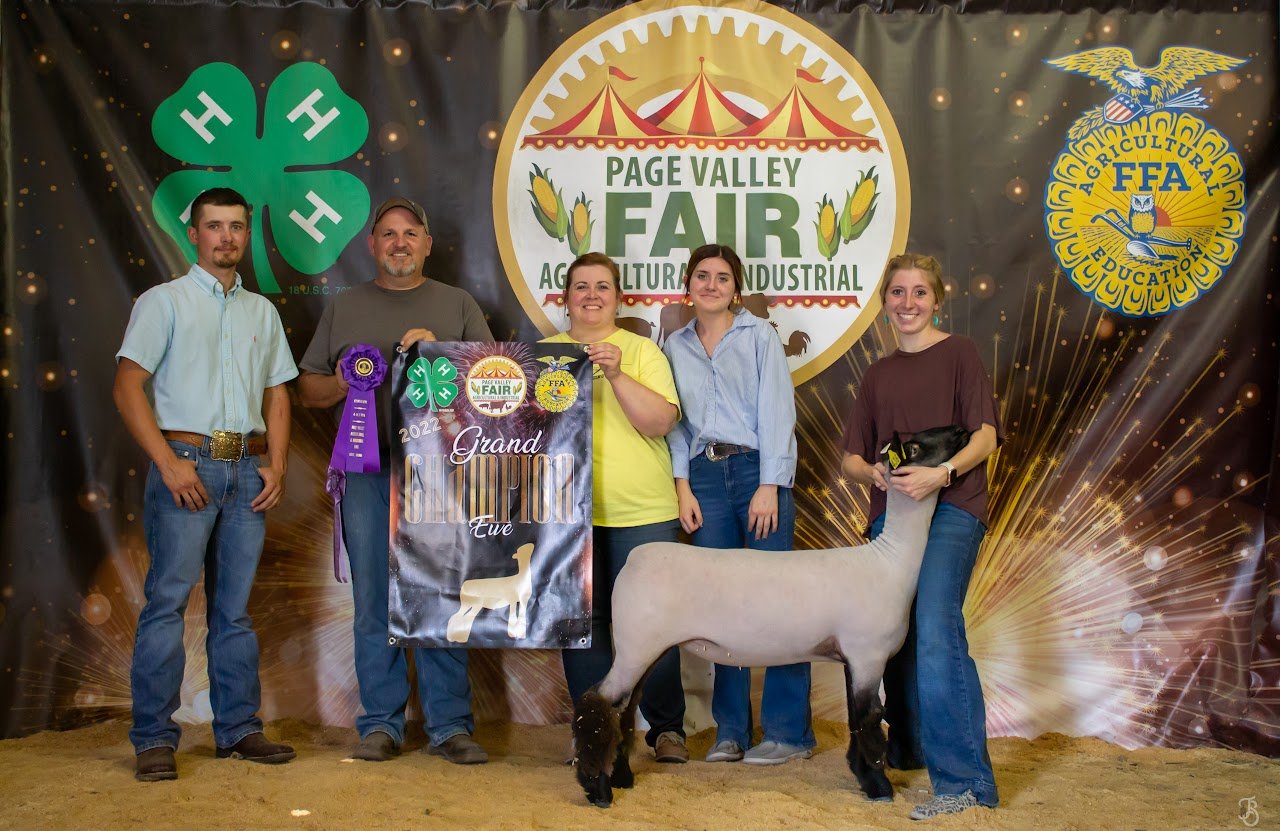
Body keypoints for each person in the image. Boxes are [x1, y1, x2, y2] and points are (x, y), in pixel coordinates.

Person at [298, 197, 493, 764]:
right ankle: (380, 723)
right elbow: (307, 391)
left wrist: (440, 355)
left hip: (440, 474)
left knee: (438, 593)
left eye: (411, 232)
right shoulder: (345, 306)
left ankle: (450, 725)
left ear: (428, 244)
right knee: (371, 598)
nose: (400, 242)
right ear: (372, 245)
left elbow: (493, 388)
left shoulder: (457, 305)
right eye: (388, 234)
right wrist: (340, 384)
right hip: (366, 472)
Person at [114, 187, 298, 781]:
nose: (227, 237)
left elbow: (277, 392)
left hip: (247, 468)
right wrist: (168, 463)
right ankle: (152, 738)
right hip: (186, 466)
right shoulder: (162, 302)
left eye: (237, 227)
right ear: (193, 234)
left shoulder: (261, 312)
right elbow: (127, 386)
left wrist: (278, 463)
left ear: (247, 234)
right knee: (167, 603)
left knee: (234, 611)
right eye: (215, 226)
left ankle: (239, 729)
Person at [840, 253, 1001, 820]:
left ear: (937, 300)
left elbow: (985, 436)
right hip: (893, 519)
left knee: (934, 629)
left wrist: (945, 472)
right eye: (897, 293)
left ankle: (963, 783)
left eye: (919, 293)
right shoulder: (878, 374)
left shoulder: (960, 354)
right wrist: (874, 473)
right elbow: (850, 460)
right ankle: (906, 750)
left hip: (953, 506)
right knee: (895, 638)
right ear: (885, 303)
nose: (907, 303)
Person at [662, 244, 813, 765]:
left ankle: (788, 733)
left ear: (736, 289)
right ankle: (731, 731)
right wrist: (682, 485)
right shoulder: (674, 345)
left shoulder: (759, 337)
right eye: (701, 276)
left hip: (756, 469)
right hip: (704, 473)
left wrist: (770, 483)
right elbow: (676, 424)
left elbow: (777, 411)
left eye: (722, 277)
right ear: (688, 286)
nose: (711, 284)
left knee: (777, 602)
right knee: (724, 607)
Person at [544, 252, 689, 763]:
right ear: (564, 298)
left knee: (655, 620)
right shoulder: (539, 355)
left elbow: (660, 423)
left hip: (640, 509)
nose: (591, 295)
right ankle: (593, 733)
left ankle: (667, 728)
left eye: (602, 287)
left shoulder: (642, 351)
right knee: (580, 625)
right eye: (580, 286)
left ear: (619, 297)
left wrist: (618, 375)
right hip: (564, 515)